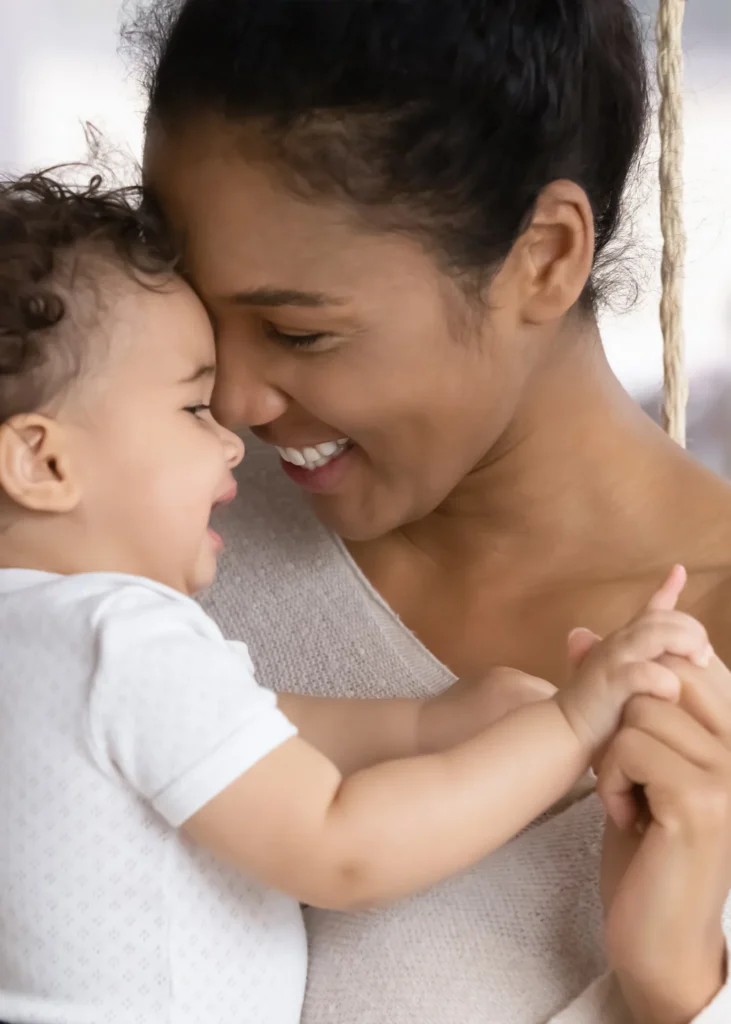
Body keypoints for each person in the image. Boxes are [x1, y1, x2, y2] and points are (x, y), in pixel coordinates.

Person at [133, 0, 731, 1021]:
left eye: (296, 331)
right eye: (192, 303)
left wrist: (672, 991)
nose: (230, 402)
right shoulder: (133, 526)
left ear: (542, 255)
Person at [0, 173, 710, 1024]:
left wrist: (436, 723)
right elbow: (343, 847)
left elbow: (269, 727)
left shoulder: (45, 643)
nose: (234, 434)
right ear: (43, 462)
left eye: (298, 332)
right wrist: (567, 729)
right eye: (192, 406)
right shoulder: (118, 634)